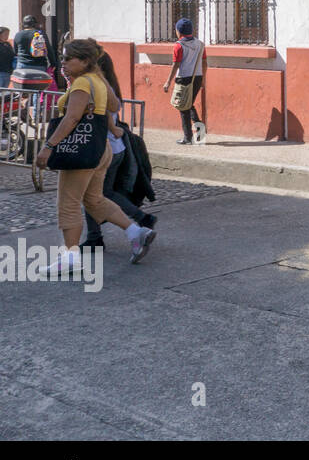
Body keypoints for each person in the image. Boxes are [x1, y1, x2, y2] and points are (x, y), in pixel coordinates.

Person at [35, 39, 156, 274]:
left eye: (69, 58)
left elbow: (71, 119)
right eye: (63, 58)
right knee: (94, 200)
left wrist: (48, 146)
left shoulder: (82, 83)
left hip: (81, 151)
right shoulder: (98, 81)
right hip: (101, 149)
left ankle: (70, 258)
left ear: (85, 61)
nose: (64, 62)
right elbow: (112, 104)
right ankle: (136, 232)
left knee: (68, 203)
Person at [80, 52, 157, 251]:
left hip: (104, 147)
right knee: (102, 194)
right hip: (116, 147)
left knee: (93, 196)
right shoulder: (111, 86)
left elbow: (100, 113)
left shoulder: (95, 86)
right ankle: (96, 237)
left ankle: (136, 222)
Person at [161, 18, 204, 145]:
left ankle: (187, 137)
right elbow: (205, 62)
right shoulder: (200, 44)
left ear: (178, 31)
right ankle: (200, 132)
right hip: (197, 77)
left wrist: (168, 81)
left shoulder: (179, 46)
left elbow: (176, 65)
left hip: (184, 78)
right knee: (189, 104)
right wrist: (203, 79)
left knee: (183, 106)